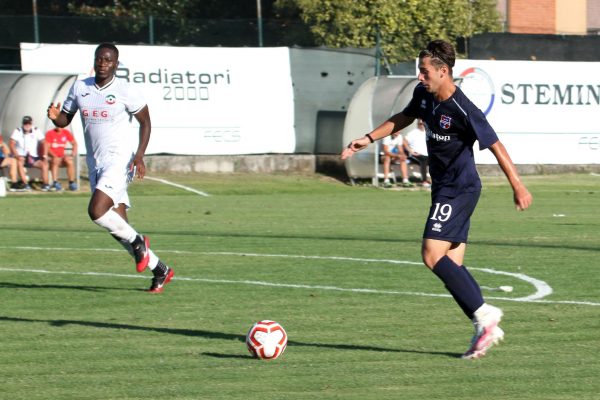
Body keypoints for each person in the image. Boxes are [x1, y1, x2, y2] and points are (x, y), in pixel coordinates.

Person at [342, 39, 532, 359]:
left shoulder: (463, 109)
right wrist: (368, 138)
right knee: (451, 267)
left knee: (431, 254)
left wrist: (518, 185)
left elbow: (496, 146)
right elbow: (403, 117)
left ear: (444, 72)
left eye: (425, 71)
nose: (420, 76)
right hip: (444, 189)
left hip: (460, 189)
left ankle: (486, 316)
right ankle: (484, 325)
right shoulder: (423, 95)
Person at [46, 42, 174, 293]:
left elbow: (146, 123)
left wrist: (139, 156)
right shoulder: (80, 87)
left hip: (119, 160)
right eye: (99, 59)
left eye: (107, 60)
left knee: (96, 211)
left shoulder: (126, 90)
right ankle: (160, 269)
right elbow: (65, 119)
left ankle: (139, 243)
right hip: (96, 163)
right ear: (94, 61)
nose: (102, 64)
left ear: (116, 63)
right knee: (118, 226)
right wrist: (55, 117)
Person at [9, 116, 50, 191]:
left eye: (29, 123)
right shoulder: (18, 131)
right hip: (21, 156)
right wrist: (17, 155)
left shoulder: (36, 130)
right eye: (25, 123)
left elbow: (44, 142)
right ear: (23, 124)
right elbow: (11, 144)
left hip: (33, 156)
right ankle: (25, 184)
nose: (27, 125)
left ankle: (45, 184)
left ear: (31, 123)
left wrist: (45, 155)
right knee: (19, 162)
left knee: (44, 164)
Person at [45, 126, 78, 191]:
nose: (59, 127)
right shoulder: (50, 133)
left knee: (69, 161)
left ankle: (71, 182)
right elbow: (47, 148)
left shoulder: (66, 132)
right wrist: (54, 156)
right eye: (57, 125)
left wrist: (72, 154)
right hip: (52, 157)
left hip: (61, 156)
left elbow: (74, 143)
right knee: (55, 160)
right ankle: (55, 182)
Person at [404, 119, 430, 187]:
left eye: (423, 124)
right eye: (420, 124)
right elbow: (404, 142)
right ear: (417, 124)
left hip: (427, 155)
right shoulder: (413, 133)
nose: (422, 125)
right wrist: (410, 151)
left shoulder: (428, 132)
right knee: (423, 160)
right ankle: (424, 181)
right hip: (416, 155)